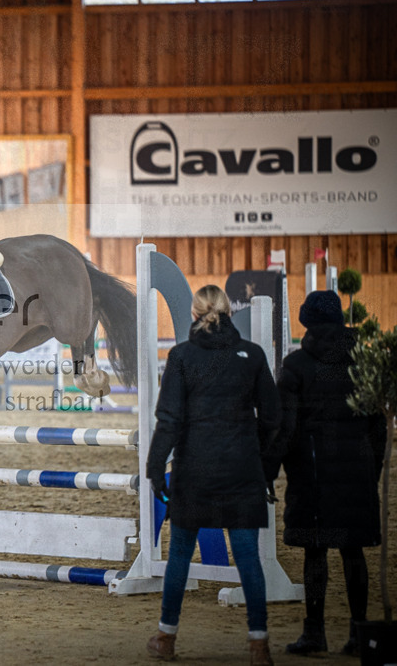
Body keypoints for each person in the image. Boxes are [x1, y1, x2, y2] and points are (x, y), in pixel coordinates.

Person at [145, 285, 281, 666]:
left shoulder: (182, 356)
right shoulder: (251, 356)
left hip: (195, 472)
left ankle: (166, 638)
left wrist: (155, 468)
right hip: (242, 470)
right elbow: (272, 418)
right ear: (228, 311)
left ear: (194, 312)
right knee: (248, 558)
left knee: (180, 557)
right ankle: (259, 645)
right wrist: (261, 462)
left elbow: (168, 420)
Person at [269, 290, 386, 657]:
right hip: (358, 473)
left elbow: (283, 429)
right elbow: (379, 426)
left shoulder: (296, 366)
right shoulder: (364, 362)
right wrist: (373, 469)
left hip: (312, 475)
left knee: (315, 555)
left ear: (307, 322)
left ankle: (315, 633)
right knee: (354, 553)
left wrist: (267, 472)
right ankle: (359, 633)